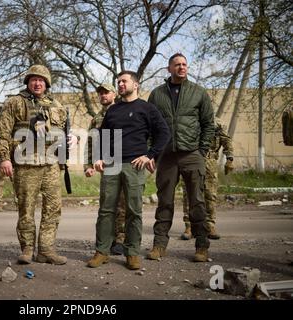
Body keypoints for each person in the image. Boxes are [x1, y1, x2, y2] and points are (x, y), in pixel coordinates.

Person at [87, 71, 171, 270]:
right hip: (111, 165)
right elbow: (103, 135)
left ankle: (132, 253)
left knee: (134, 211)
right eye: (119, 82)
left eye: (124, 81)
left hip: (134, 166)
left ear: (136, 84)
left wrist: (150, 155)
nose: (121, 84)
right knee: (106, 210)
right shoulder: (113, 110)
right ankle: (102, 252)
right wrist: (98, 158)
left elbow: (164, 133)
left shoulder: (147, 108)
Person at [0, 64, 70, 265]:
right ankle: (27, 249)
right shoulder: (15, 103)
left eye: (41, 80)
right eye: (33, 79)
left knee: (53, 209)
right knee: (26, 209)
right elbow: (2, 134)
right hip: (25, 164)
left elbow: (62, 133)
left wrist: (70, 140)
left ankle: (46, 250)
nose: (37, 83)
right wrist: (4, 158)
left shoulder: (57, 105)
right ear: (28, 82)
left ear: (47, 83)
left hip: (51, 164)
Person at [146, 53, 215, 263]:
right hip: (166, 157)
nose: (182, 67)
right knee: (165, 202)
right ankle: (159, 245)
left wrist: (201, 151)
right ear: (169, 68)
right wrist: (152, 153)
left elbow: (208, 124)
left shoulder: (198, 93)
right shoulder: (157, 94)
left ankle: (201, 246)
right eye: (177, 65)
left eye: (184, 64)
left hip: (192, 154)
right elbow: (150, 127)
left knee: (197, 202)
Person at [84, 83, 126, 255]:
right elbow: (91, 142)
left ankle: (121, 240)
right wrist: (88, 165)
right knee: (108, 203)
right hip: (107, 164)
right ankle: (107, 239)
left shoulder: (124, 111)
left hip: (126, 162)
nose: (103, 95)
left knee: (124, 204)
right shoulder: (97, 118)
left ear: (114, 94)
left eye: (106, 92)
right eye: (100, 93)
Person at [180, 117, 234, 240]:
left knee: (210, 194)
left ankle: (210, 225)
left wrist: (229, 159)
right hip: (191, 159)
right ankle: (189, 226)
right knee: (189, 193)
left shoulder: (217, 122)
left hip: (210, 161)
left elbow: (226, 140)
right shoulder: (188, 119)